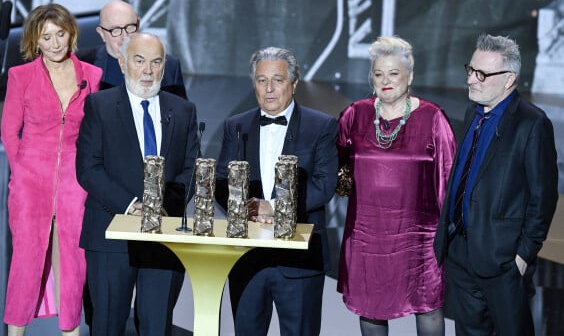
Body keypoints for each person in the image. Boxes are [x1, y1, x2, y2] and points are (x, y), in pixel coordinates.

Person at [434, 34, 559, 336]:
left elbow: (543, 198)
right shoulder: (472, 113)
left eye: (482, 74)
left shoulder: (533, 124)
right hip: (461, 255)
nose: (470, 80)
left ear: (509, 80)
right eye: (470, 69)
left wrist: (522, 257)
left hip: (503, 262)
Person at [76, 32, 199, 336]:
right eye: (139, 60)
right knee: (106, 326)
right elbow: (88, 169)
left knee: (157, 325)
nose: (148, 70)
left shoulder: (183, 111)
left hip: (164, 234)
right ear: (122, 62)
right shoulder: (99, 106)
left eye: (156, 62)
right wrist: (132, 206)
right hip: (109, 234)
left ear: (164, 67)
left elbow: (191, 169)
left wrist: (163, 208)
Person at [336, 36, 456, 336]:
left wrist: (449, 236)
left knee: (428, 307)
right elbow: (337, 163)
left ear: (410, 76)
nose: (385, 80)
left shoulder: (432, 117)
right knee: (371, 308)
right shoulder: (355, 114)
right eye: (378, 74)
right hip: (367, 236)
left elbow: (449, 178)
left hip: (420, 238)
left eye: (393, 73)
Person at [215, 46, 338, 336]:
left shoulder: (321, 126)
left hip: (300, 262)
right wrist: (246, 209)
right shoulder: (236, 126)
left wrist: (272, 207)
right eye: (261, 80)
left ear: (294, 84)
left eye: (278, 80)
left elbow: (324, 185)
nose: (269, 89)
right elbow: (221, 180)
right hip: (247, 257)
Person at [0, 3, 102, 336]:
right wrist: (21, 173)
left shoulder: (92, 75)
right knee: (27, 261)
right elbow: (9, 131)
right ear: (35, 41)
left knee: (73, 261)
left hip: (75, 180)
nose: (55, 43)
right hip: (30, 181)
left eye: (60, 34)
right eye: (47, 37)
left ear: (71, 33)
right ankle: (15, 332)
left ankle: (70, 330)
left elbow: (93, 132)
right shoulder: (21, 76)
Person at [77, 0, 187, 99]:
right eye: (115, 30)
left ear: (138, 25)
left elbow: (182, 114)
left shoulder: (169, 66)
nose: (124, 36)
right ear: (101, 33)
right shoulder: (81, 63)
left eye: (130, 28)